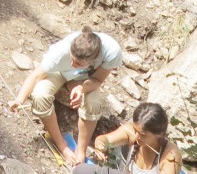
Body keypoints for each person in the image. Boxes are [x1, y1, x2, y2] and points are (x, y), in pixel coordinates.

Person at [8, 27, 123, 165]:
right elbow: (35, 76)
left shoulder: (112, 52)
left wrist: (81, 88)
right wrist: (19, 99)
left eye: (78, 63)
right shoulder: (60, 53)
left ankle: (81, 150)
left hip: (82, 78)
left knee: (93, 102)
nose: (72, 64)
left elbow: (98, 80)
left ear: (92, 61)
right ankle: (62, 146)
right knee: (39, 95)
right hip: (57, 73)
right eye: (71, 58)